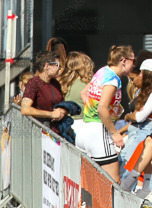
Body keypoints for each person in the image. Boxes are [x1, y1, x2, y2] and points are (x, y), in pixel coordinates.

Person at [75, 45, 135, 183]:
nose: (134, 65)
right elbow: (102, 108)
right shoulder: (112, 79)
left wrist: (93, 108)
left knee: (92, 182)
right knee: (113, 182)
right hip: (98, 132)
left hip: (85, 130)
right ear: (123, 60)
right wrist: (115, 134)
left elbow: (84, 94)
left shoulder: (102, 71)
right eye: (133, 60)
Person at [120, 59, 152, 192]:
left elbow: (140, 116)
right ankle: (145, 190)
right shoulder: (143, 92)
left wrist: (128, 116)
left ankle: (126, 185)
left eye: (141, 74)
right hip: (142, 129)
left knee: (132, 160)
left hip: (145, 129)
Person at [20, 50, 66, 124]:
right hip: (41, 129)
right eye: (58, 65)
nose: (60, 68)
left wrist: (62, 111)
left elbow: (61, 103)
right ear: (47, 66)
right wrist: (51, 114)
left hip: (56, 129)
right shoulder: (34, 83)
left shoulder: (56, 83)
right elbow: (25, 109)